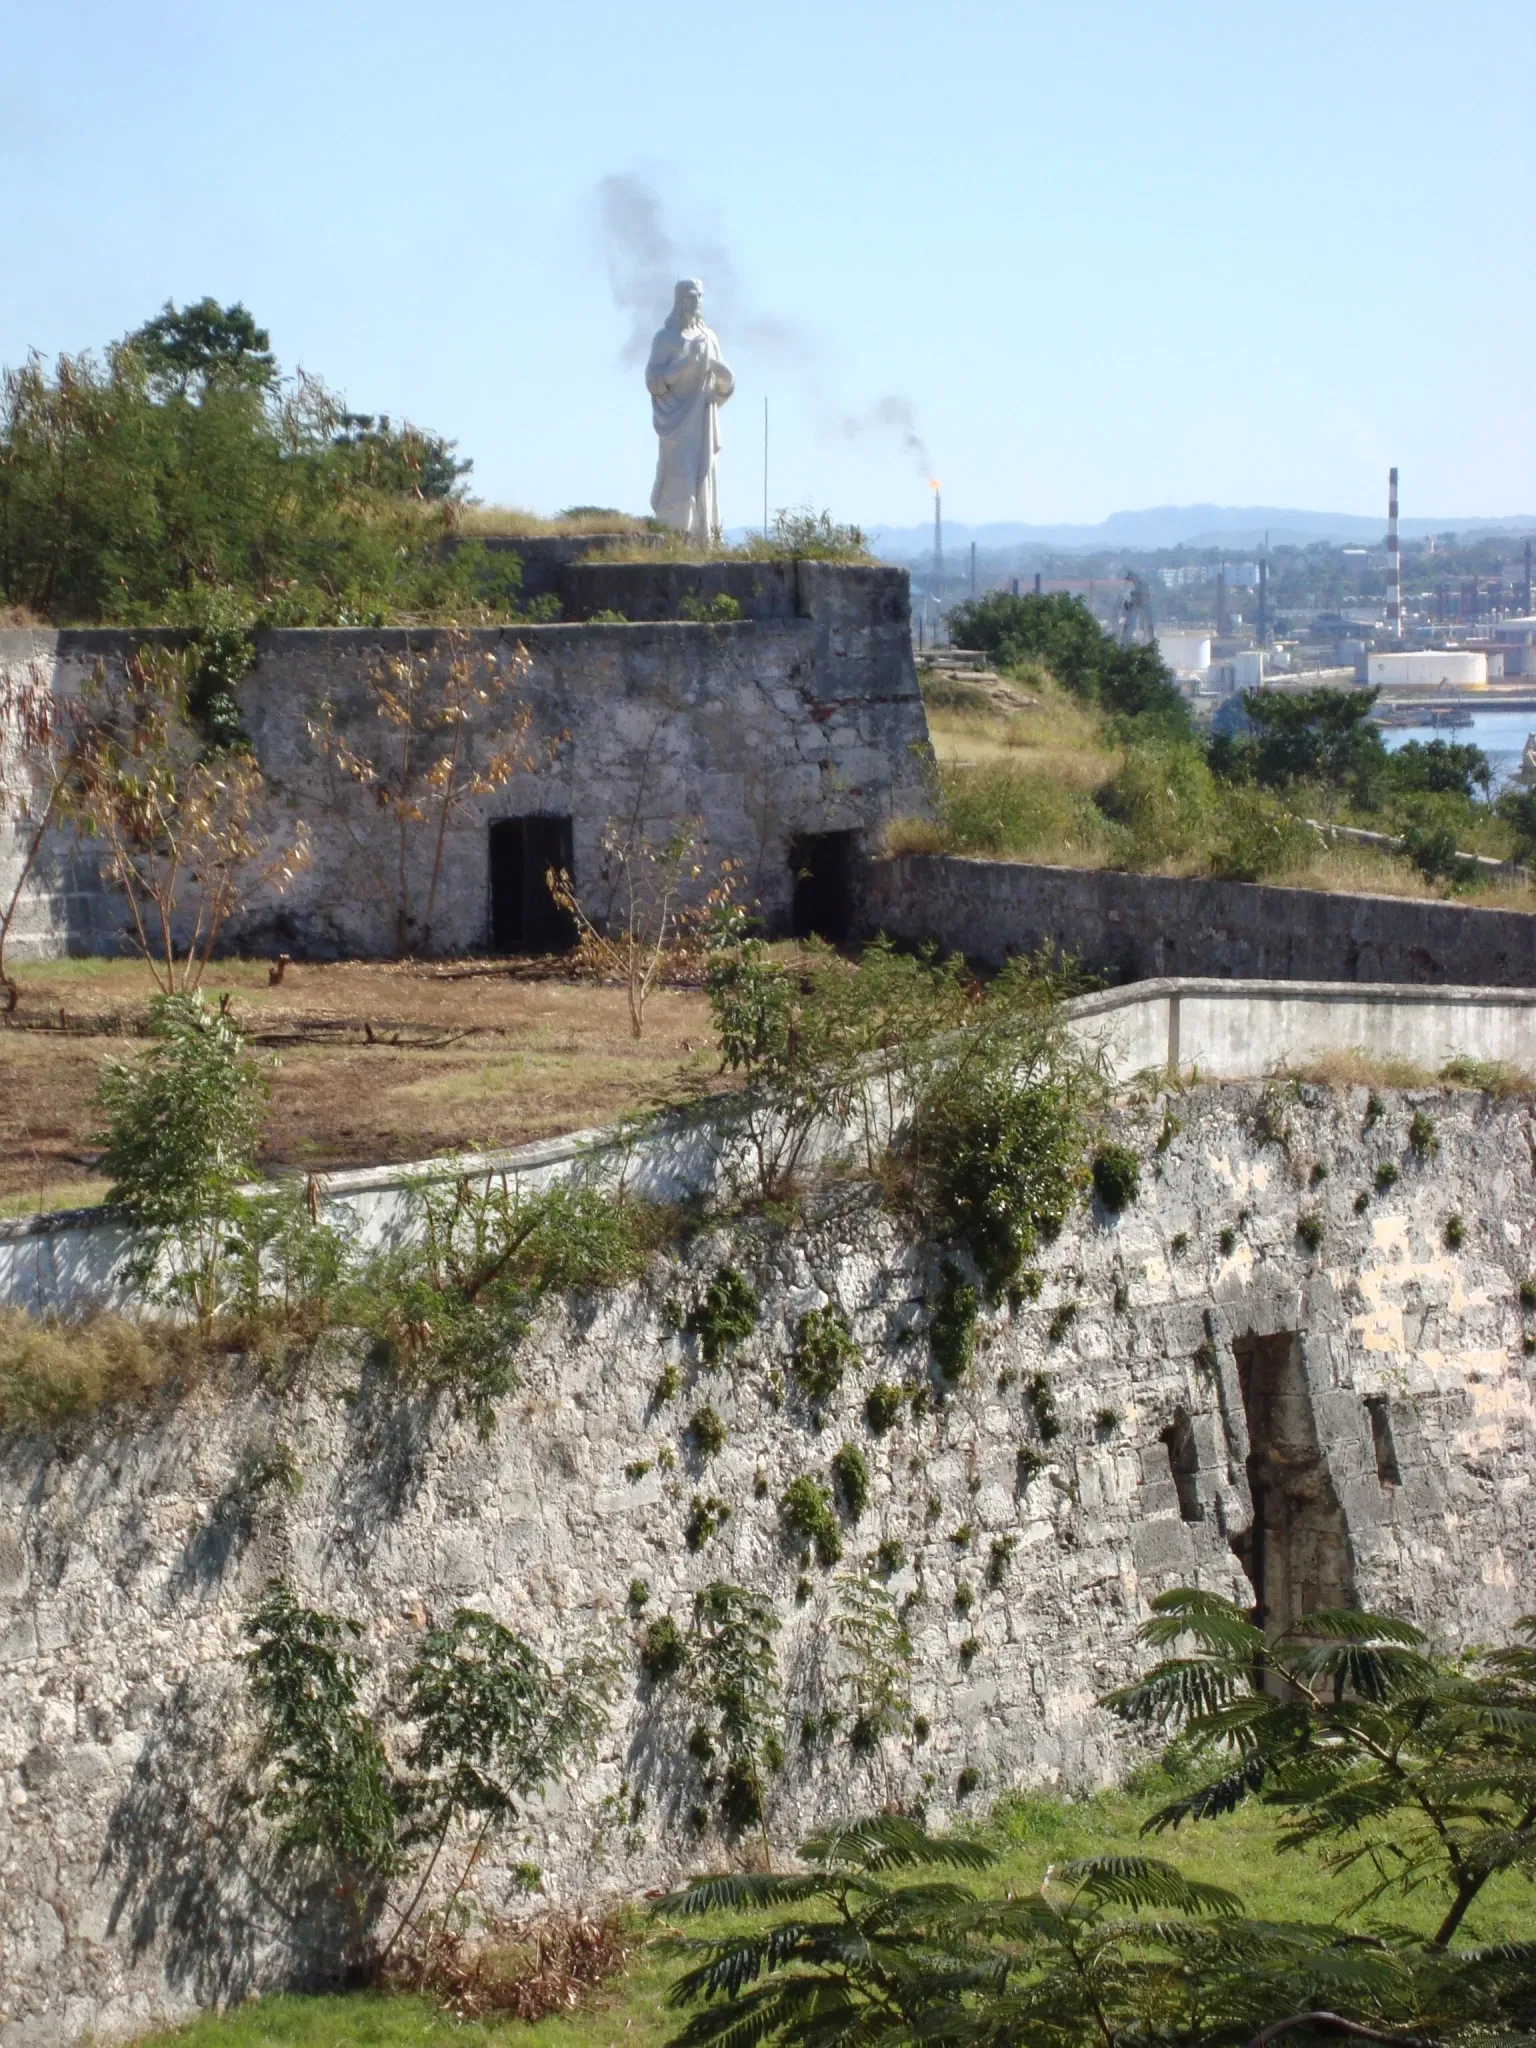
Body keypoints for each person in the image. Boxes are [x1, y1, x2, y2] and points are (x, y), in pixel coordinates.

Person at [646, 279, 734, 541]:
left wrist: (727, 379)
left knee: (704, 479)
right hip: (676, 424)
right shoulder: (665, 339)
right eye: (691, 296)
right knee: (680, 484)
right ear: (680, 300)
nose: (697, 302)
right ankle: (675, 541)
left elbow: (722, 386)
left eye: (700, 296)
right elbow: (654, 382)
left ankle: (703, 540)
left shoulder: (709, 338)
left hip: (703, 421)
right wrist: (686, 361)